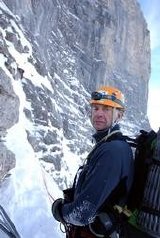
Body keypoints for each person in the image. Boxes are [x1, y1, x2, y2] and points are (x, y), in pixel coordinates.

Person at [52, 86, 134, 238]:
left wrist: (60, 212)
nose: (99, 114)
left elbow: (82, 214)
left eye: (107, 109)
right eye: (95, 108)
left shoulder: (112, 151)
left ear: (119, 115)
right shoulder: (110, 145)